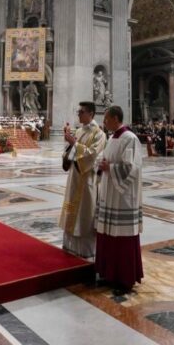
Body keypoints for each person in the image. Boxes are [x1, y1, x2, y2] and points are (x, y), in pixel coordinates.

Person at [94, 106, 143, 296]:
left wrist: (110, 168)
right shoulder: (113, 137)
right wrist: (102, 165)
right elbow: (106, 159)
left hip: (123, 197)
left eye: (106, 119)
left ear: (115, 118)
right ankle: (109, 273)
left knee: (122, 237)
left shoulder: (130, 138)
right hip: (109, 192)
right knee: (108, 234)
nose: (104, 123)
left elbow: (132, 168)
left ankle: (125, 277)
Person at [60, 102, 107, 258]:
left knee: (84, 214)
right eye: (78, 111)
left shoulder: (99, 134)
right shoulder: (79, 131)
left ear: (91, 114)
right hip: (74, 177)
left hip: (87, 180)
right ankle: (70, 245)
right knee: (72, 210)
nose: (78, 114)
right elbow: (73, 151)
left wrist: (73, 143)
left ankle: (85, 250)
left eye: (81, 111)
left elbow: (93, 156)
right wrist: (68, 151)